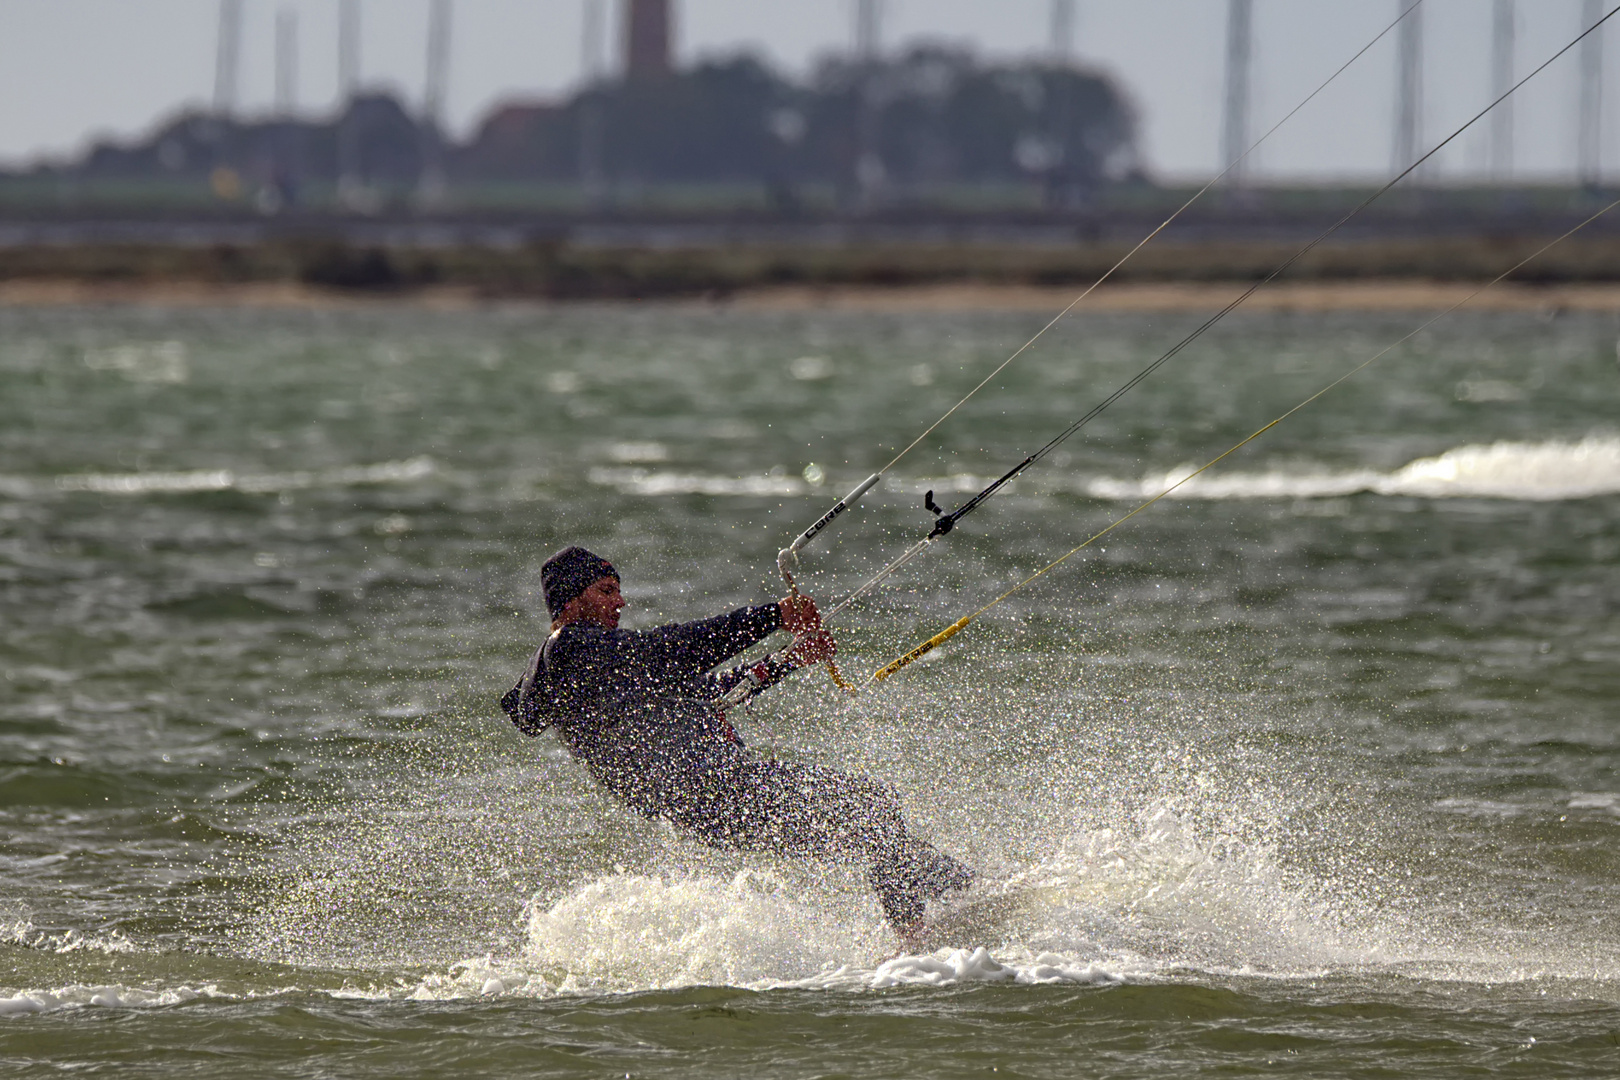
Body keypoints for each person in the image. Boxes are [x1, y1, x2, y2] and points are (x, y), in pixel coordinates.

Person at [501, 545, 974, 938]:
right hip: (720, 792)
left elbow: (708, 692)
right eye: (606, 591)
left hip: (711, 805)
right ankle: (928, 929)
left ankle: (955, 898)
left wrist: (790, 660)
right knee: (871, 808)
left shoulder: (602, 666)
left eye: (619, 591)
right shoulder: (571, 649)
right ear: (569, 602)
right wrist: (774, 615)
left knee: (870, 827)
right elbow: (672, 649)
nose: (620, 603)